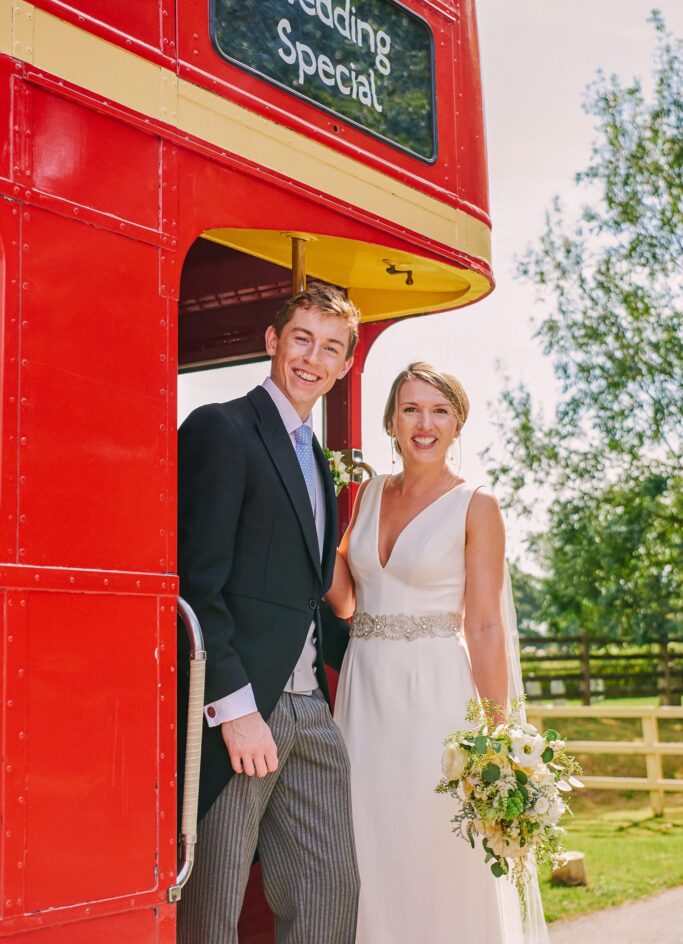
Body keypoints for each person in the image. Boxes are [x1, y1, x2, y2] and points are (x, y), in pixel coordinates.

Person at [329, 362, 548, 944]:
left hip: (436, 695)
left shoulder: (477, 503)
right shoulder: (369, 493)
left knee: (435, 845)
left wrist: (501, 736)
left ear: (457, 424)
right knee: (366, 842)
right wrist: (316, 524)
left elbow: (483, 624)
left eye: (438, 411)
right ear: (392, 423)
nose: (423, 423)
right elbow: (348, 600)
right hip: (365, 688)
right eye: (410, 410)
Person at [176, 284, 361, 944]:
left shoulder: (315, 456)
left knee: (329, 890)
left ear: (343, 366)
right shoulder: (219, 428)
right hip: (241, 716)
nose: (312, 358)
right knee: (213, 907)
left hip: (310, 709)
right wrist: (235, 710)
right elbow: (198, 586)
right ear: (271, 342)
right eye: (301, 339)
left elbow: (311, 592)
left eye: (330, 347)